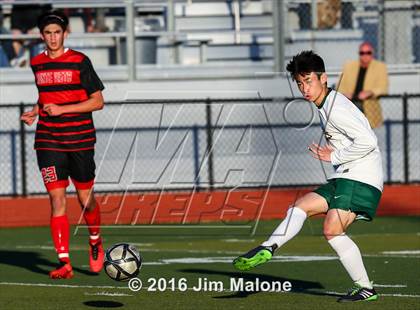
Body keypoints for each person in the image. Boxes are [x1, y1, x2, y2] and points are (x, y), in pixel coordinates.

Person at [233, 51, 383, 303]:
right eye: (300, 83)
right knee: (300, 206)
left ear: (323, 78)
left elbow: (369, 141)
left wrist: (333, 156)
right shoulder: (327, 104)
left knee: (332, 230)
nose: (304, 88)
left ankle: (365, 288)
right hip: (348, 175)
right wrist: (337, 156)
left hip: (360, 177)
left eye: (309, 81)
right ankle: (268, 247)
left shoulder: (336, 108)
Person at [20, 10, 105, 279]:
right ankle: (64, 262)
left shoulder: (80, 61)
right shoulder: (36, 63)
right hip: (48, 140)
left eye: (57, 32)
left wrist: (64, 110)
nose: (53, 37)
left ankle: (95, 240)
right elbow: (45, 96)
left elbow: (98, 101)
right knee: (57, 200)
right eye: (48, 33)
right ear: (41, 35)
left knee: (85, 200)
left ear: (65, 34)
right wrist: (35, 111)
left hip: (79, 139)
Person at [338, 42, 389, 129]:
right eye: (362, 53)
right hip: (350, 104)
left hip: (369, 107)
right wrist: (345, 94)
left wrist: (370, 92)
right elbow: (340, 87)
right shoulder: (349, 66)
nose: (365, 55)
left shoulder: (380, 67)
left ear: (372, 54)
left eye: (368, 53)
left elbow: (383, 88)